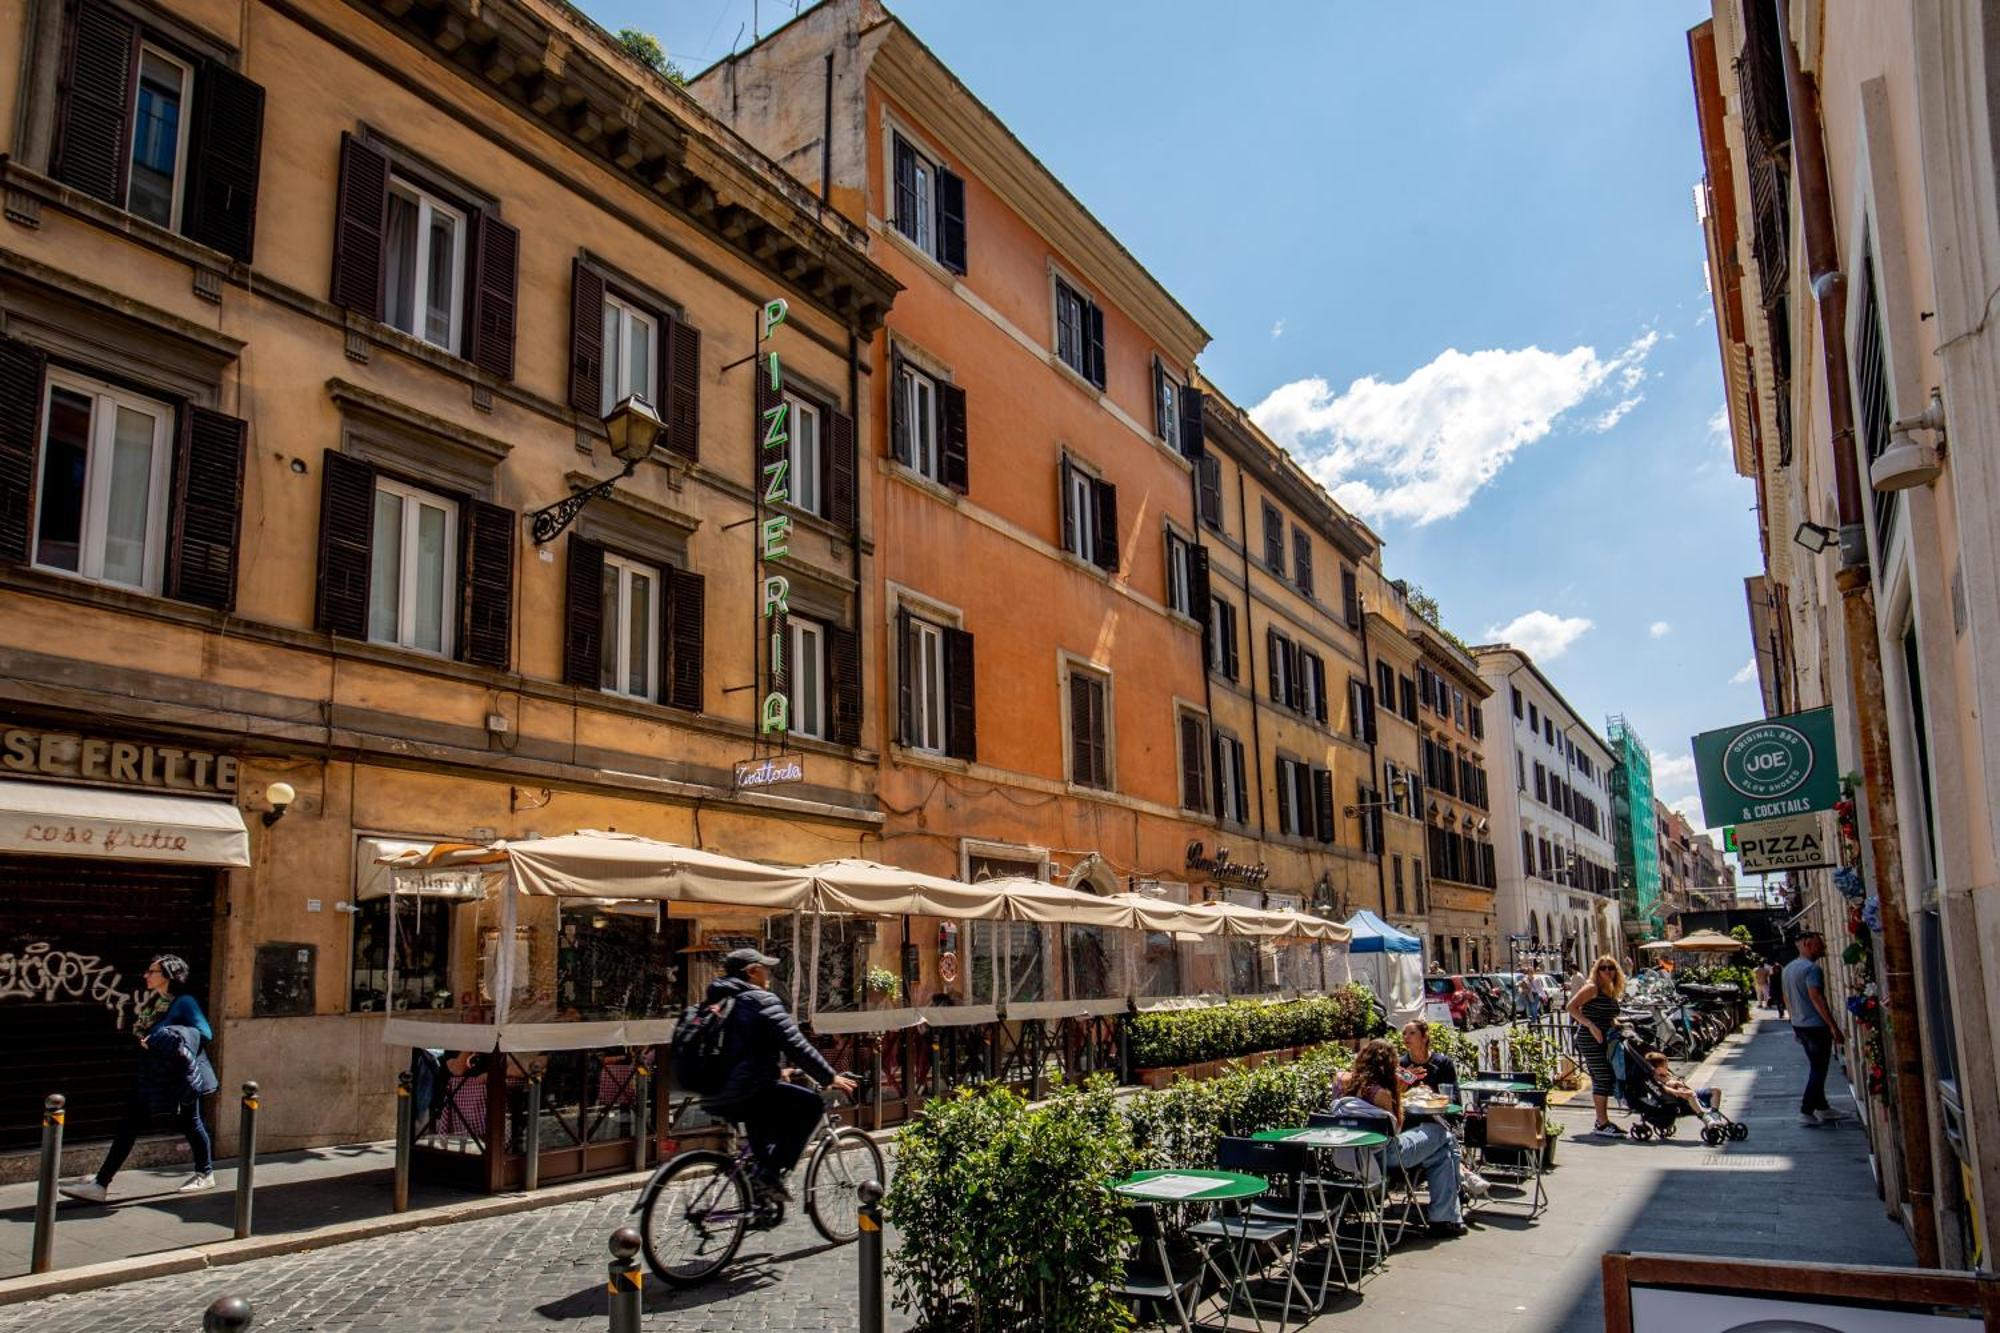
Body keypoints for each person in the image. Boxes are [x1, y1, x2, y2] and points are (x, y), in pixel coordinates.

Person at [701, 948, 857, 1203]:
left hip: (718, 1090)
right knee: (812, 1105)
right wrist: (829, 1076)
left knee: (763, 1125)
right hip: (748, 1089)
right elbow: (795, 1043)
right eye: (765, 969)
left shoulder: (718, 1000)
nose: (769, 975)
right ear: (751, 972)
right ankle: (770, 1176)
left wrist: (776, 1070)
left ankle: (758, 1197)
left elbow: (741, 1049)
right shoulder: (760, 999)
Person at [61, 956, 217, 1202]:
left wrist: (170, 1038)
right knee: (136, 1124)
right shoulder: (159, 1001)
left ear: (167, 975)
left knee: (188, 1123)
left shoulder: (184, 1002)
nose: (146, 975)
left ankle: (204, 1173)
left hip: (180, 1076)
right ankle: (100, 1184)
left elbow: (205, 1033)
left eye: (152, 971)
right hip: (157, 1074)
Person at [1334, 1039, 1464, 1236]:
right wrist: (1399, 1091)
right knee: (1442, 1133)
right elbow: (1396, 1128)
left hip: (1351, 1154)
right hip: (1387, 1155)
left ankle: (1446, 1218)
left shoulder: (1342, 1082)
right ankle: (1457, 1192)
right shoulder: (1382, 1094)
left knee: (1441, 1156)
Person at [1783, 931, 1844, 1127]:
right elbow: (1816, 997)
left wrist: (1793, 1023)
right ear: (1808, 944)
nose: (1824, 948)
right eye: (1820, 945)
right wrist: (1833, 1026)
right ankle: (1806, 1110)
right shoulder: (1811, 969)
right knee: (1819, 1069)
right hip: (1816, 1026)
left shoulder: (1788, 968)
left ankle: (1822, 1107)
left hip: (1800, 1025)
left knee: (1816, 1067)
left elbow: (1787, 998)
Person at [1566, 954, 1628, 1137]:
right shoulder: (1592, 988)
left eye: (1611, 968)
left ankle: (1602, 1121)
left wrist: (1617, 1023)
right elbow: (1571, 1007)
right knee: (1602, 1076)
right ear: (1597, 971)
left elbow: (1607, 1014)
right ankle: (1602, 1123)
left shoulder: (1609, 989)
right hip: (1589, 1038)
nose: (1608, 971)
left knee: (1603, 1075)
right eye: (1603, 968)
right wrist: (1590, 1025)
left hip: (1605, 1037)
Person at [1642, 1051, 1723, 1121]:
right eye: (1664, 1066)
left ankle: (1715, 1114)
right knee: (1691, 1094)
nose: (1667, 1067)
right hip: (1683, 1098)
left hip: (1690, 1092)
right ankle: (1707, 1118)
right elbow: (1664, 1089)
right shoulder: (1656, 1079)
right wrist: (1674, 1084)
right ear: (1656, 1069)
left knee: (1716, 1090)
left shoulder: (1667, 1073)